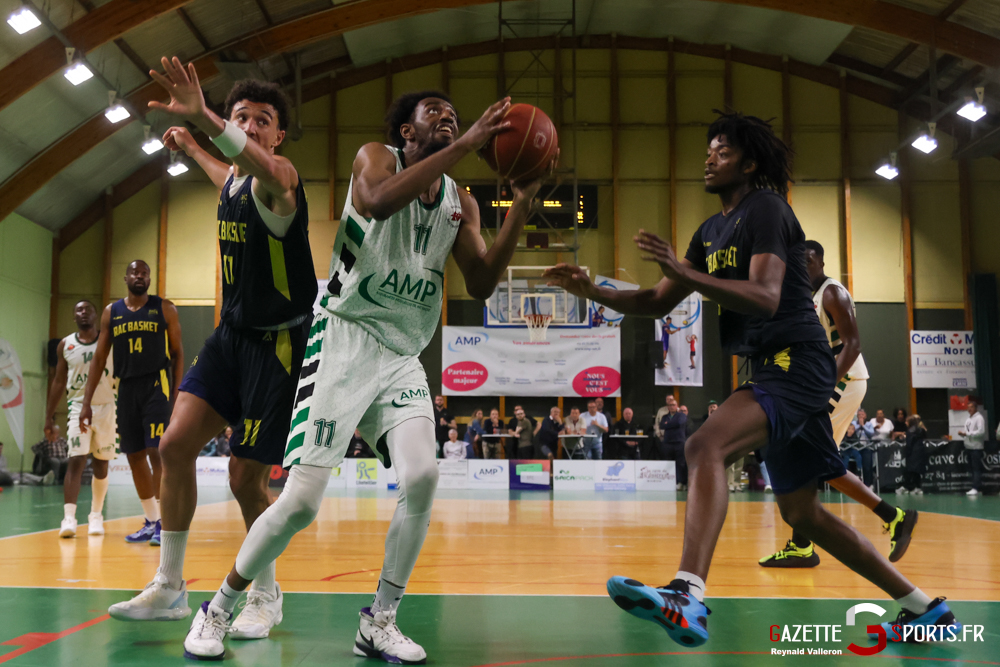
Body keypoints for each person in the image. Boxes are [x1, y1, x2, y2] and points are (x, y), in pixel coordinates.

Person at [545, 111, 956, 647]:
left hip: (798, 360)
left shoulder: (767, 209)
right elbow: (656, 300)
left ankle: (687, 594)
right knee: (803, 514)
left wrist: (686, 272)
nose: (709, 159)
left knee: (704, 445)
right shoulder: (709, 231)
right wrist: (594, 292)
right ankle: (925, 608)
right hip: (769, 365)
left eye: (723, 151)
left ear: (749, 163)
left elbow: (764, 296)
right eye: (708, 151)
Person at [192, 89, 556, 664]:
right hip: (343, 337)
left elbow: (483, 281)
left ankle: (379, 620)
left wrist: (522, 204)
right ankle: (217, 608)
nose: (448, 117)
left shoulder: (460, 201)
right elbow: (378, 202)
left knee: (423, 476)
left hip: (402, 353)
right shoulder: (376, 158)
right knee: (301, 503)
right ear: (407, 132)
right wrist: (466, 144)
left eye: (454, 114)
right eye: (434, 112)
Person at [109, 65, 317, 647]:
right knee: (173, 445)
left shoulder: (281, 179)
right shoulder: (234, 181)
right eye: (241, 116)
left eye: (262, 121)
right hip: (230, 337)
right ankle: (169, 586)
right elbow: (225, 173)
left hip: (278, 344)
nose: (250, 126)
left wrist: (203, 117)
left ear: (278, 136)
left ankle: (265, 595)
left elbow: (254, 168)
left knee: (245, 478)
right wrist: (193, 146)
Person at [760, 240, 913, 568]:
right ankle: (804, 544)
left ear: (817, 261)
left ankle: (893, 516)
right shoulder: (806, 296)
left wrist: (824, 384)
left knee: (815, 458)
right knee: (811, 460)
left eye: (804, 262)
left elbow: (853, 345)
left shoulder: (832, 292)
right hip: (827, 381)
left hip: (844, 380)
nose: (798, 269)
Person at [81, 260, 181, 546]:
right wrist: (86, 402)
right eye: (135, 272)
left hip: (156, 385)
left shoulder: (164, 308)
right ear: (125, 278)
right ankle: (152, 520)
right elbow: (99, 358)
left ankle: (166, 523)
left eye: (144, 273)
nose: (140, 276)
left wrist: (176, 394)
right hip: (125, 387)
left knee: (156, 451)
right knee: (134, 454)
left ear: (149, 279)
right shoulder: (112, 312)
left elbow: (177, 353)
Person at [45, 300, 116, 537]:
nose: (84, 312)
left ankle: (96, 515)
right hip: (77, 406)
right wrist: (48, 416)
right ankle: (69, 518)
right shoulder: (65, 345)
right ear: (74, 316)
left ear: (96, 315)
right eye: (79, 310)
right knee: (75, 460)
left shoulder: (109, 342)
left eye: (88, 309)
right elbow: (58, 381)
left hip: (106, 407)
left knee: (101, 463)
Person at [657, 396, 688, 488]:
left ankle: (681, 482)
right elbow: (662, 425)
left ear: (677, 406)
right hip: (668, 443)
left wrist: (668, 424)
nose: (672, 407)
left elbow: (679, 423)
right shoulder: (664, 416)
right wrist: (671, 424)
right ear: (668, 407)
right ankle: (670, 482)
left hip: (679, 442)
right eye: (670, 405)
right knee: (668, 463)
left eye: (673, 405)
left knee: (680, 463)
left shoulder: (681, 415)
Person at [958, 398, 986, 496]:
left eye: (971, 407)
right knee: (971, 469)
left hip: (976, 448)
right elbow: (968, 432)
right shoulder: (968, 419)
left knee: (976, 468)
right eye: (968, 407)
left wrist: (967, 434)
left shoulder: (979, 418)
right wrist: (963, 434)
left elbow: (981, 432)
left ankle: (976, 488)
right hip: (969, 447)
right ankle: (976, 487)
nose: (969, 409)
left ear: (976, 408)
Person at [898, 415, 927, 496]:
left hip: (913, 453)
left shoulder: (910, 431)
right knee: (916, 471)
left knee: (910, 470)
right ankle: (917, 487)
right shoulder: (920, 430)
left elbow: (909, 443)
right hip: (919, 452)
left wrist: (907, 452)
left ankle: (907, 487)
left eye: (907, 421)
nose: (905, 423)